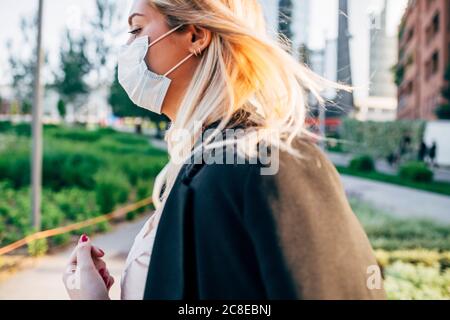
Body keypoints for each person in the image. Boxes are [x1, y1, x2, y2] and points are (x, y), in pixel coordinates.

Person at [63, 0, 385, 300]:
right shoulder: (200, 162)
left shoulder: (266, 162)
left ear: (196, 35)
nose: (127, 47)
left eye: (136, 29)